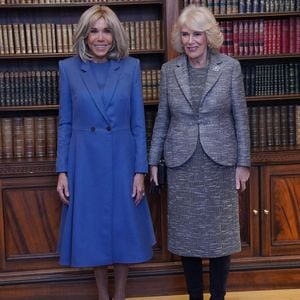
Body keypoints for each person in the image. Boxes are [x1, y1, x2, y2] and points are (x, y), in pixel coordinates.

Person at [149, 5, 250, 300]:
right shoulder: (170, 71)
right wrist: (153, 160)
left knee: (220, 234)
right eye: (185, 34)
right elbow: (163, 118)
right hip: (182, 162)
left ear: (208, 36)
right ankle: (195, 296)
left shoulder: (230, 68)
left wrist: (243, 163)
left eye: (197, 34)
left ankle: (218, 295)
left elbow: (240, 118)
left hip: (220, 162)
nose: (191, 40)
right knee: (187, 234)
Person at [56, 5, 155, 300]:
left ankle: (120, 294)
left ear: (115, 34)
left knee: (123, 228)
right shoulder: (68, 68)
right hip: (84, 161)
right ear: (85, 36)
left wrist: (139, 170)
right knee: (93, 229)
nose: (101, 37)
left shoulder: (131, 67)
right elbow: (65, 122)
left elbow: (138, 123)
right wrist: (62, 170)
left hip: (122, 159)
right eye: (94, 31)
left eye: (107, 30)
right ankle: (102, 294)